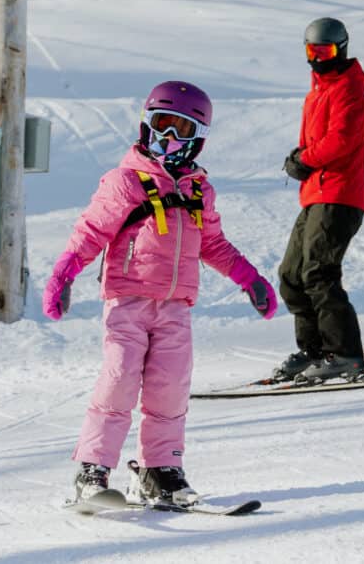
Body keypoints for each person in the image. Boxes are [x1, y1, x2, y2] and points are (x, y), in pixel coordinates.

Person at [42, 80, 277, 506]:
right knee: (118, 380)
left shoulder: (198, 191)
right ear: (145, 126)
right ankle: (91, 471)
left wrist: (250, 279)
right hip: (127, 301)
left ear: (197, 141)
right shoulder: (125, 181)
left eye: (181, 129)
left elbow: (214, 244)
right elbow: (91, 232)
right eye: (161, 124)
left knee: (170, 387)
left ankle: (160, 471)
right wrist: (64, 274)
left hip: (174, 307)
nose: (168, 137)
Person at [276, 17, 364, 382]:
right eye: (311, 52)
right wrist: (301, 158)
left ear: (341, 49)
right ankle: (313, 350)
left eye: (325, 52)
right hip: (315, 194)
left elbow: (340, 141)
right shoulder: (317, 92)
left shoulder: (349, 90)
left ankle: (344, 353)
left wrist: (303, 158)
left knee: (318, 272)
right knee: (291, 275)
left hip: (340, 195)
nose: (317, 59)